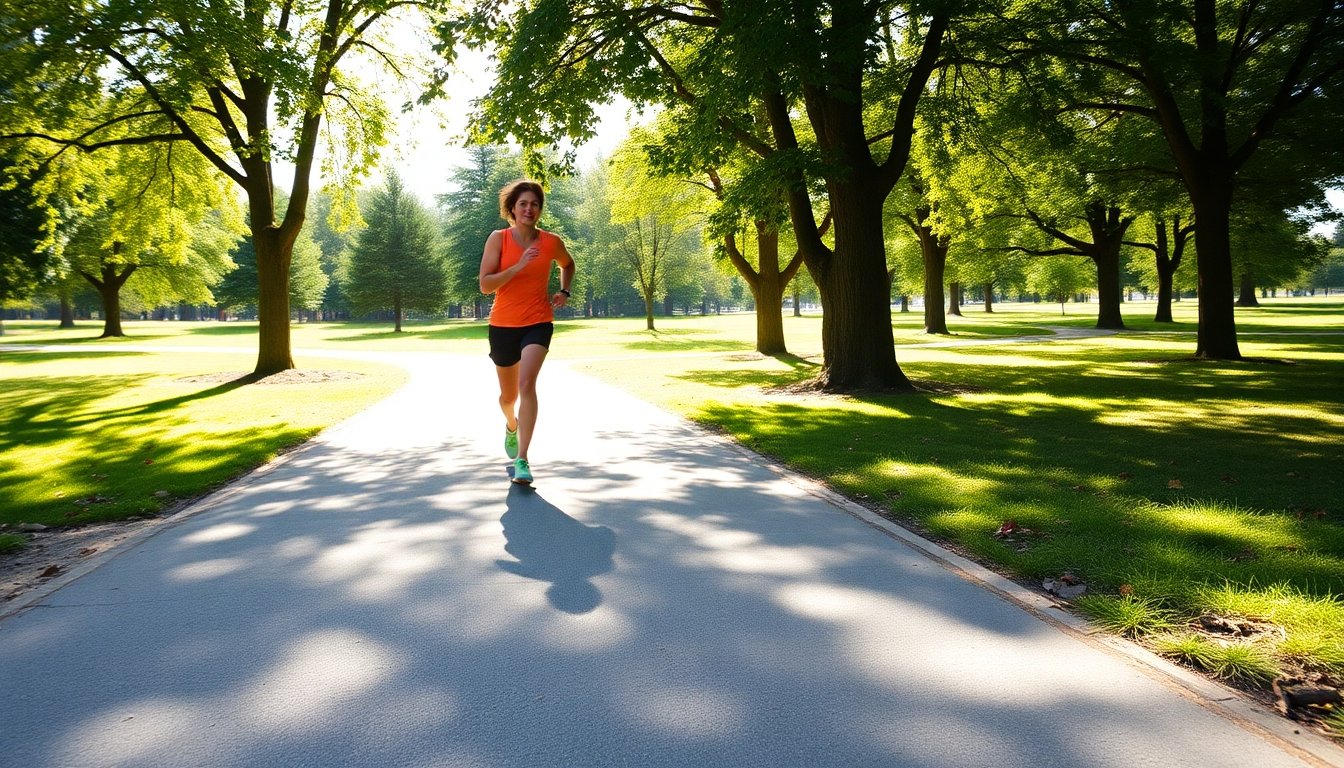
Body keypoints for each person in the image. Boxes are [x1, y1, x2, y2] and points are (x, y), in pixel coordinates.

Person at [479, 179, 576, 485]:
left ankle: (523, 459)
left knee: (527, 384)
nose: (529, 209)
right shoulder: (499, 239)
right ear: (512, 208)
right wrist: (518, 266)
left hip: (538, 321)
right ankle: (511, 423)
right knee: (508, 397)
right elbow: (485, 285)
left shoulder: (551, 242)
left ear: (539, 209)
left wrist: (564, 291)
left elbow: (568, 264)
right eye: (523, 204)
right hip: (503, 325)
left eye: (534, 204)